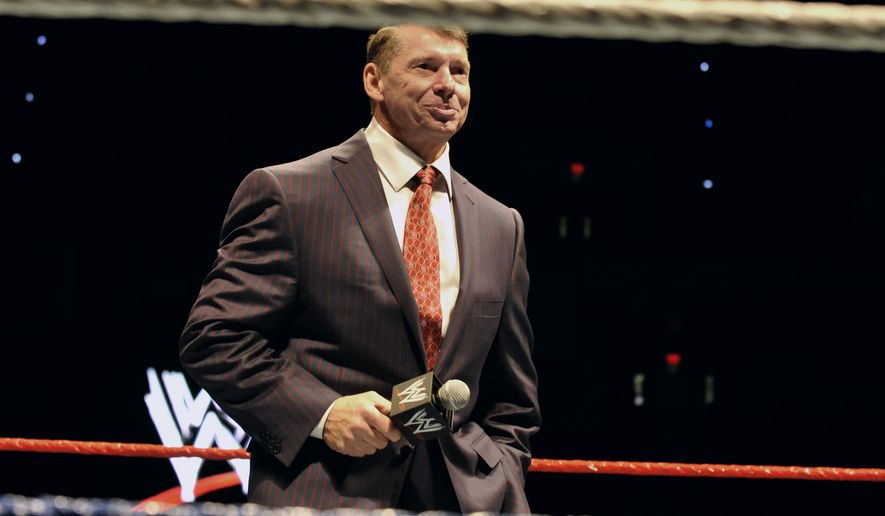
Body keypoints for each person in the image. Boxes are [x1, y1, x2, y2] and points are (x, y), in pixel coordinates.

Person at [179, 24, 540, 513]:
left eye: (460, 71)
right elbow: (215, 339)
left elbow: (512, 395)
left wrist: (501, 475)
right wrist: (322, 414)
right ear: (374, 81)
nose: (447, 84)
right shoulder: (290, 193)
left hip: (465, 497)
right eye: (425, 66)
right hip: (324, 489)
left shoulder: (502, 225)